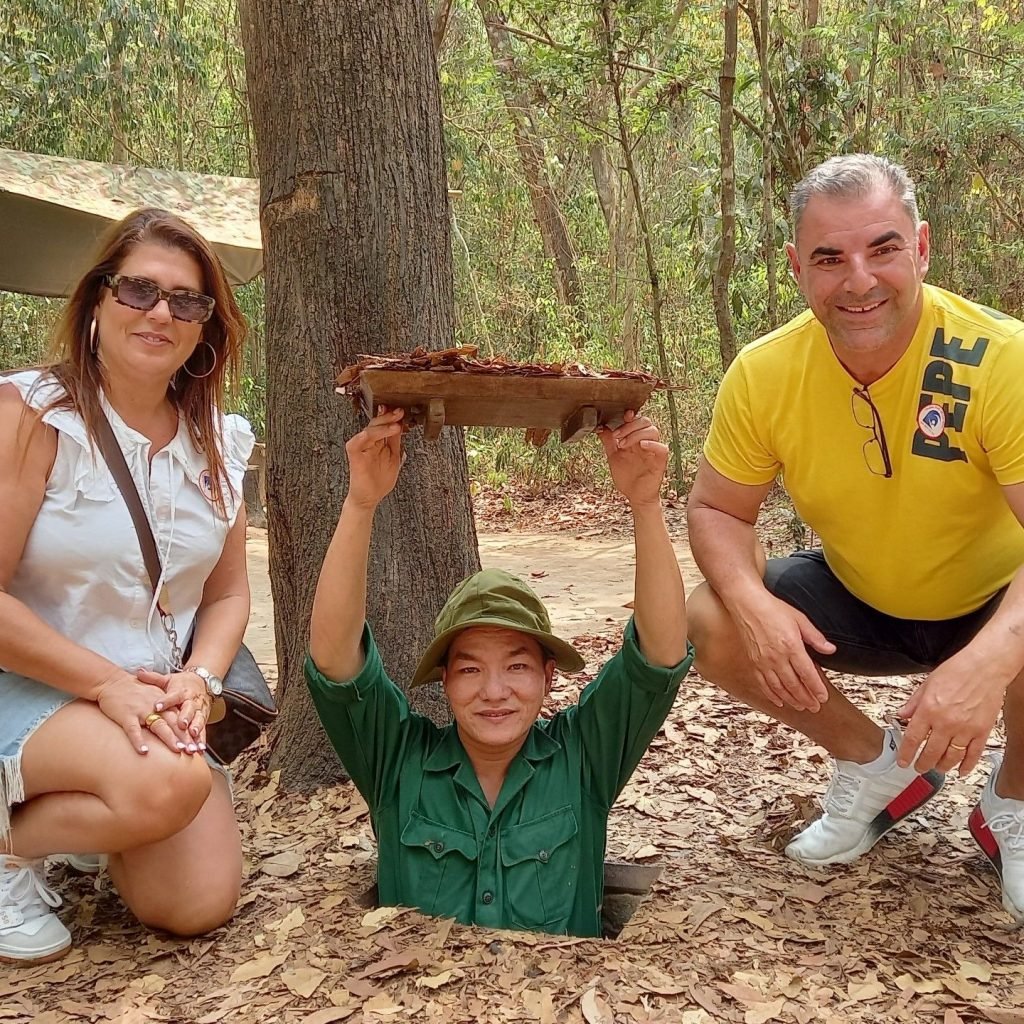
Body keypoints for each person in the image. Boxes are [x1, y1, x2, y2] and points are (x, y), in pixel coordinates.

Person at [686, 153, 1024, 924]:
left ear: (923, 248)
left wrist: (994, 659)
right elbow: (716, 509)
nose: (860, 280)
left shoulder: (1002, 359)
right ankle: (875, 767)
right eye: (831, 258)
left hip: (994, 598)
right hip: (862, 597)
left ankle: (1015, 802)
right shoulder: (765, 371)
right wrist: (752, 604)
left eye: (883, 248)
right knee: (701, 619)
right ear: (797, 267)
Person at [306, 407, 690, 937]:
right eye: (469, 669)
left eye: (516, 666)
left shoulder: (585, 758)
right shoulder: (397, 762)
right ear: (445, 680)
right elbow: (334, 660)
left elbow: (661, 655)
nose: (494, 691)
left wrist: (646, 504)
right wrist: (361, 502)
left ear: (548, 676)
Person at [0, 208, 254, 963]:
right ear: (97, 300)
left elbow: (227, 595)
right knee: (166, 790)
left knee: (195, 905)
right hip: (30, 682)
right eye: (139, 290)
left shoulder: (219, 442)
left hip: (144, 697)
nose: (161, 313)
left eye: (187, 300)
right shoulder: (30, 415)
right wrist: (108, 685)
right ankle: (11, 850)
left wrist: (200, 679)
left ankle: (82, 818)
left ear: (207, 325)